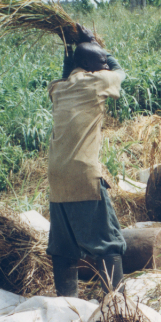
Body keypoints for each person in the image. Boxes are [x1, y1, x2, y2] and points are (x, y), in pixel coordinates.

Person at [47, 25, 127, 298]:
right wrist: (94, 41)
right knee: (110, 244)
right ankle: (118, 307)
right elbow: (120, 72)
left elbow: (66, 73)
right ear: (92, 68)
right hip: (83, 176)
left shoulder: (58, 89)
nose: (104, 65)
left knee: (63, 248)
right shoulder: (98, 83)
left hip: (57, 179)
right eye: (100, 62)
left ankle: (65, 304)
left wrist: (72, 53)